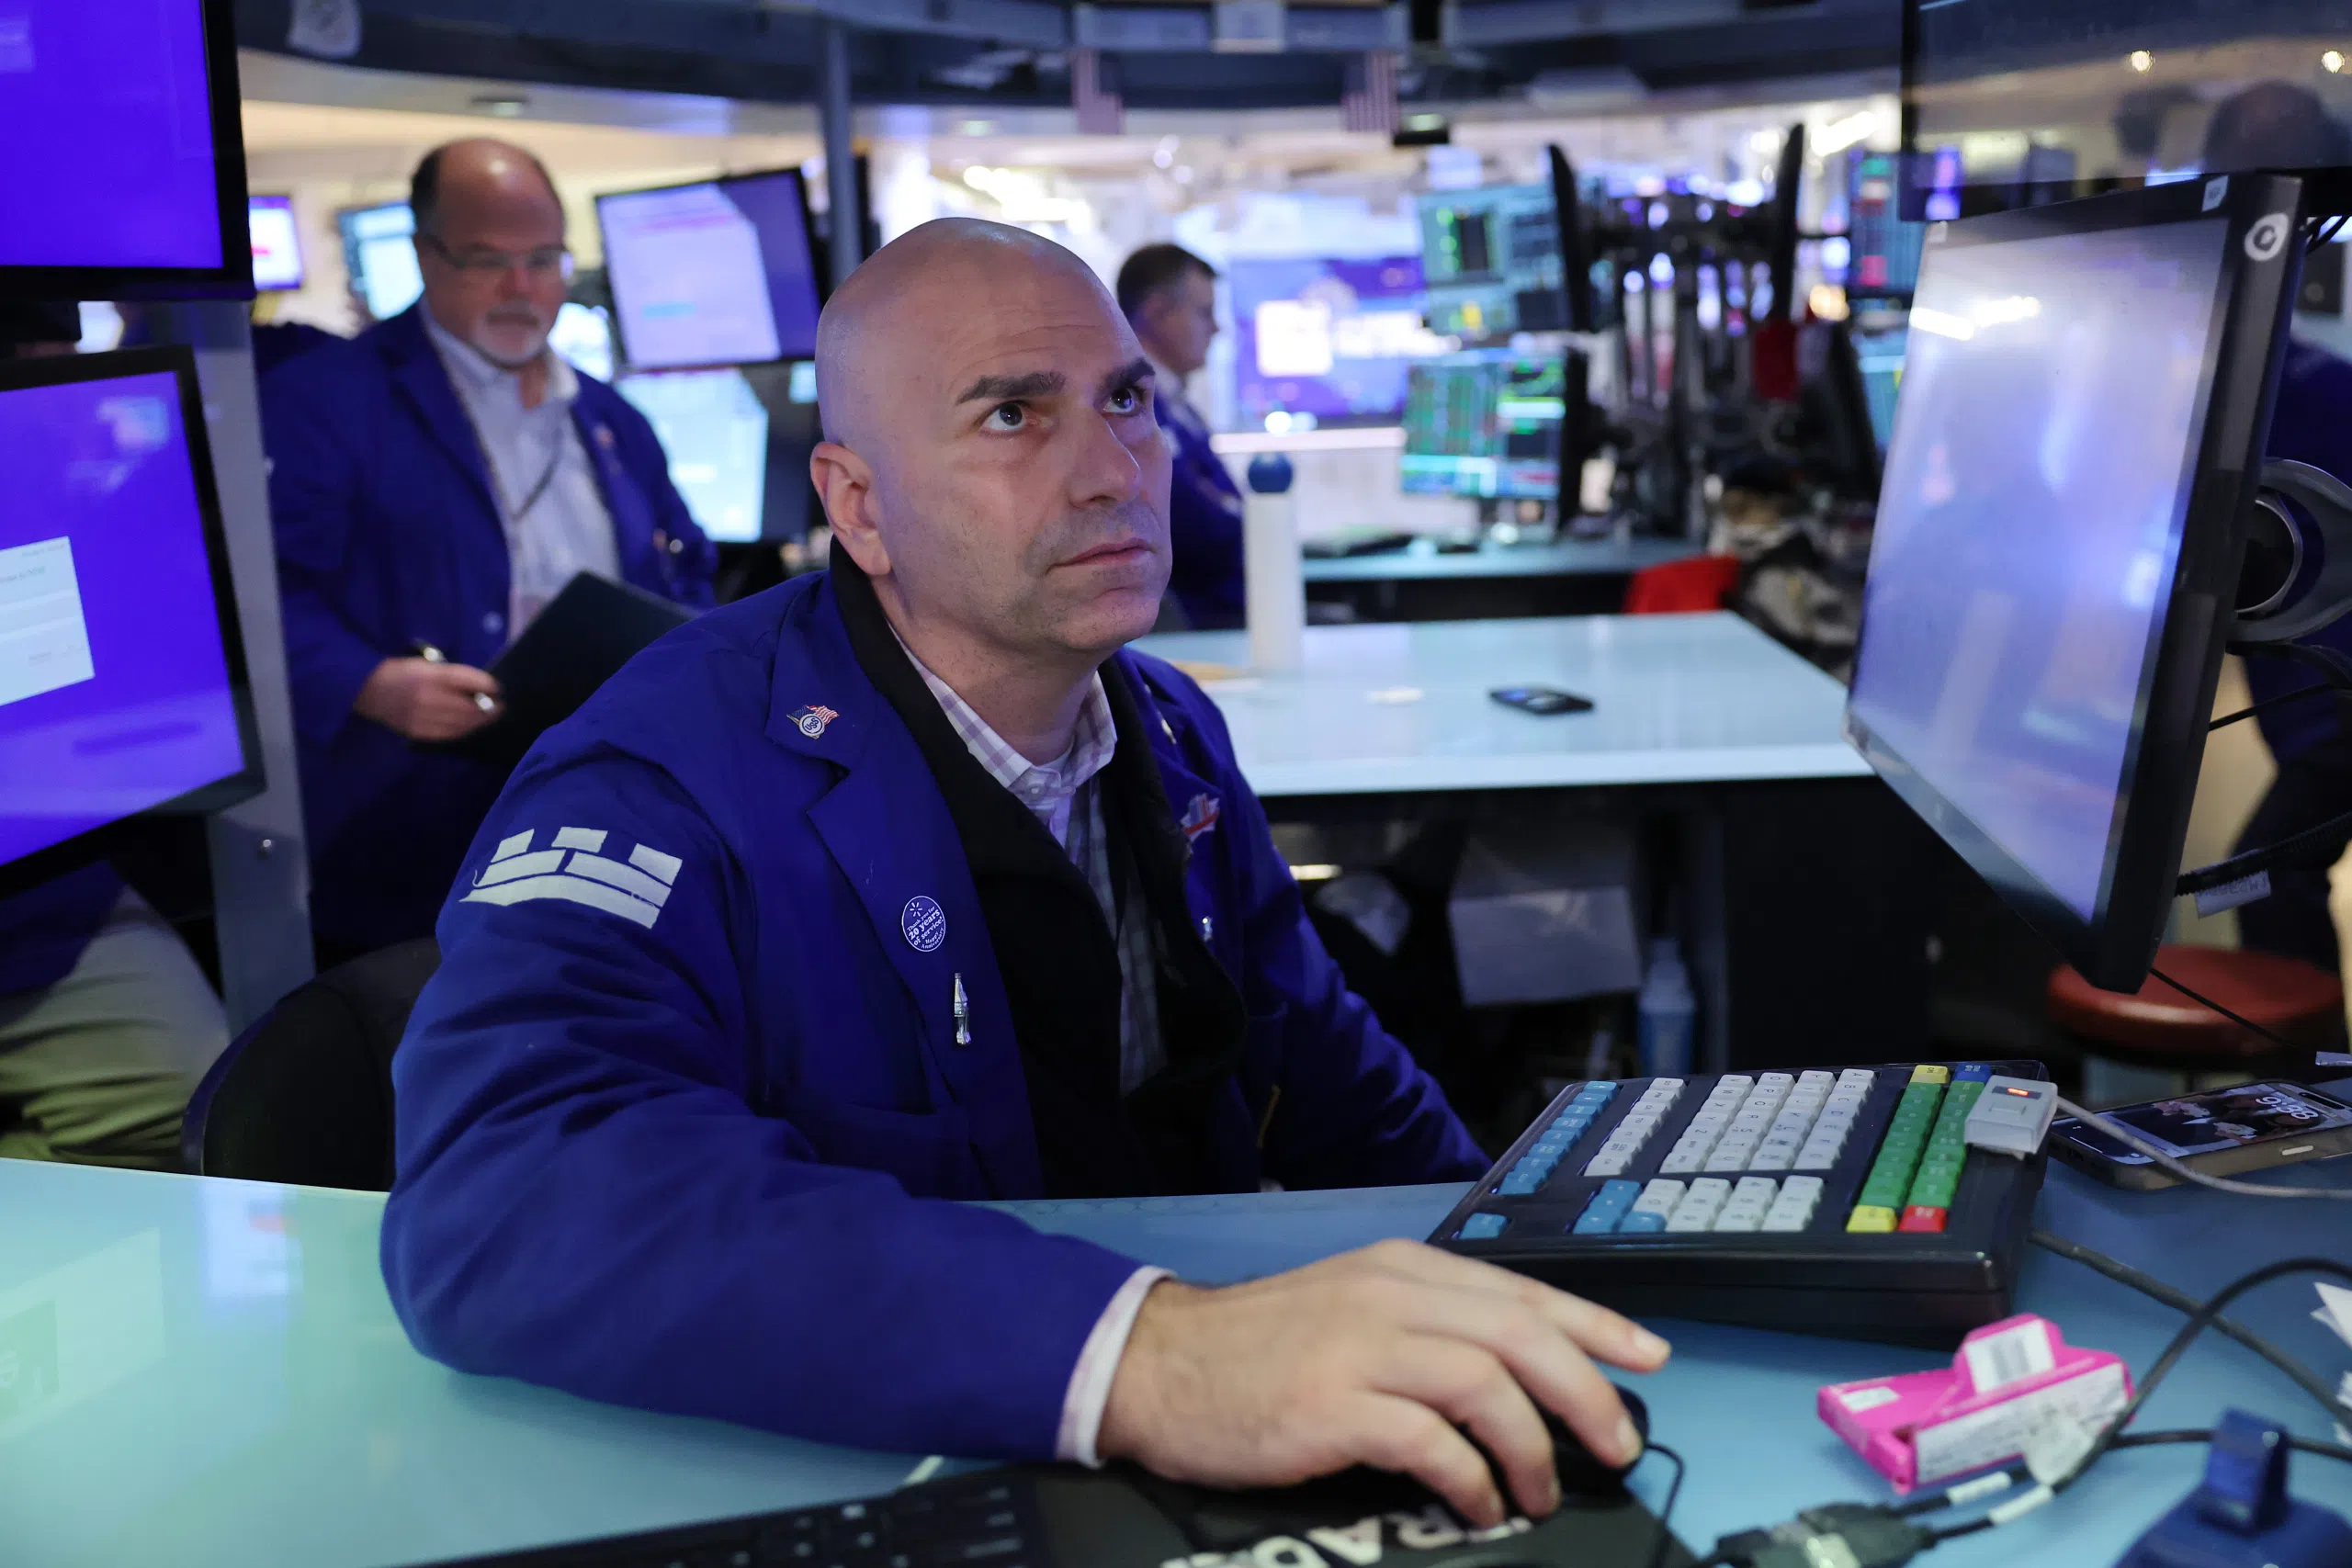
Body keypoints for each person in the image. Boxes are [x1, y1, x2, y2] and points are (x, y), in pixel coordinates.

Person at [382, 219, 1667, 1528]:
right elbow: (505, 1195)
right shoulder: (657, 781)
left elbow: (1317, 1061)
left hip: (1194, 1439)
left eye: (1126, 401)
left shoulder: (1163, 725)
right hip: (907, 1471)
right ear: (859, 505)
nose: (1112, 472)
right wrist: (1155, 1357)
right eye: (1012, 415)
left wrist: (1529, 1271)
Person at [260, 139, 716, 965]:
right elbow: (260, 591)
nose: (521, 289)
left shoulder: (611, 418)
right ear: (425, 255)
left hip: (605, 810)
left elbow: (685, 572)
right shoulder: (326, 401)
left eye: (542, 260)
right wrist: (368, 683)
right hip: (410, 827)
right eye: (486, 260)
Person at [0, 301, 230, 1168]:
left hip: (45, 902)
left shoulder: (83, 513)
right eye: (40, 370)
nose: (73, 413)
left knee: (200, 1101)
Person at [2201, 86, 2352, 971]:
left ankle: (2313, 1056)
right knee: (2251, 878)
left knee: (2249, 879)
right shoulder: (2244, 379)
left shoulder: (2311, 390)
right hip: (2307, 710)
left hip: (2336, 708)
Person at [1117, 243, 1248, 629]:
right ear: (1157, 313)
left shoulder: (1178, 407)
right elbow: (1199, 530)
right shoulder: (1129, 410)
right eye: (1205, 313)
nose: (1217, 328)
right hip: (1198, 624)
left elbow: (1225, 510)